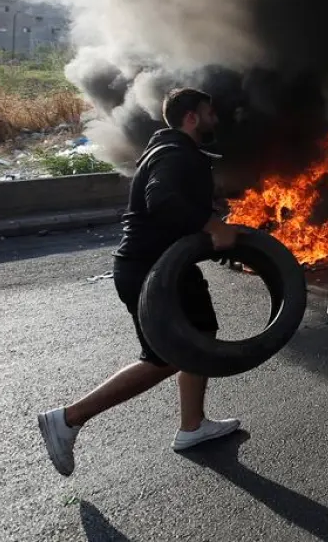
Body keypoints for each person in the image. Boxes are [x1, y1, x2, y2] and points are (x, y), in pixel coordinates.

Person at [36, 87, 242, 476]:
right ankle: (68, 418)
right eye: (209, 113)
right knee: (166, 357)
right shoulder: (174, 153)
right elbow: (160, 200)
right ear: (191, 118)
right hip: (150, 270)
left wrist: (208, 225)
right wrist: (211, 224)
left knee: (202, 333)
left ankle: (193, 426)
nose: (216, 119)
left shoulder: (172, 151)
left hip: (169, 267)